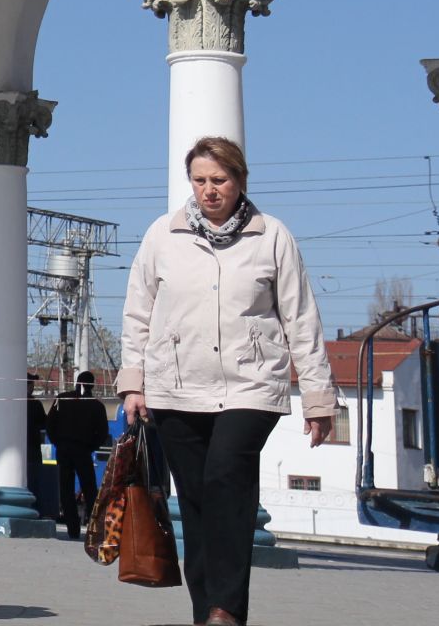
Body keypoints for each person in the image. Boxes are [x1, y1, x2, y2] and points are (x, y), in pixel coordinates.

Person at [118, 136, 336, 626]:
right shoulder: (162, 235)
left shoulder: (272, 235)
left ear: (240, 180)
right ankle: (206, 613)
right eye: (199, 181)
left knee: (225, 480)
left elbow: (301, 318)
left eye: (219, 180)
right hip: (175, 387)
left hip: (251, 386)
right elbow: (137, 313)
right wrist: (134, 384)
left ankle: (227, 609)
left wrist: (319, 398)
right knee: (194, 503)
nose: (209, 190)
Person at [46, 370, 111, 540]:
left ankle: (72, 529)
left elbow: (50, 424)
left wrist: (58, 442)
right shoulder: (96, 405)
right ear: (92, 386)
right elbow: (103, 433)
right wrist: (91, 446)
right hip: (83, 450)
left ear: (77, 383)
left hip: (64, 449)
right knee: (89, 490)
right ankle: (95, 528)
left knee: (66, 490)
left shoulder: (62, 399)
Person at [26, 373, 54, 520]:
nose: (33, 387)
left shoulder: (11, 403)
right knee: (34, 481)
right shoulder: (35, 404)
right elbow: (45, 423)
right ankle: (35, 509)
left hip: (20, 449)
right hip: (33, 449)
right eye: (31, 384)